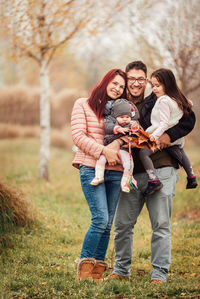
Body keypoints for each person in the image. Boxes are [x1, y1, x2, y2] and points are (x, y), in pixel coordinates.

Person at [107, 61, 196, 283]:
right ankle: (120, 270)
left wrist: (169, 136)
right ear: (126, 81)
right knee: (122, 225)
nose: (136, 83)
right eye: (131, 79)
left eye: (140, 79)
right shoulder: (118, 105)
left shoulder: (159, 97)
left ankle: (159, 273)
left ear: (146, 81)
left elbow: (189, 117)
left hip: (162, 167)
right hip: (131, 174)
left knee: (161, 224)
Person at [71, 69, 127, 282]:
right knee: (100, 219)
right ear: (105, 82)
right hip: (90, 167)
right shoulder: (83, 104)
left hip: (116, 170)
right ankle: (83, 271)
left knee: (108, 222)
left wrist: (120, 143)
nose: (117, 88)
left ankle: (96, 274)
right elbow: (78, 135)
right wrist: (103, 151)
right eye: (114, 83)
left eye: (121, 86)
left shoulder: (120, 112)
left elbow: (130, 134)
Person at [139, 68, 197, 196]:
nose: (154, 89)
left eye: (157, 86)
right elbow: (190, 104)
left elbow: (164, 123)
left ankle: (153, 180)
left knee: (143, 153)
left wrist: (153, 137)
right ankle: (191, 176)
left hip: (162, 135)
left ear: (168, 84)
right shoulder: (178, 99)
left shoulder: (163, 101)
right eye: (153, 86)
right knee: (179, 151)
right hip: (175, 138)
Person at [90, 98, 140, 193]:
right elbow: (107, 126)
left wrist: (135, 127)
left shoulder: (132, 123)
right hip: (110, 147)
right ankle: (98, 176)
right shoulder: (111, 120)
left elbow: (139, 131)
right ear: (116, 116)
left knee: (129, 164)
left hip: (123, 150)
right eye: (121, 117)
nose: (125, 119)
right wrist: (117, 128)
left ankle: (125, 183)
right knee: (101, 159)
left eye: (127, 117)